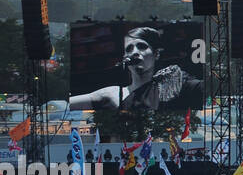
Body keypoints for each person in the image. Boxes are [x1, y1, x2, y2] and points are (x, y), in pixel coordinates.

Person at [68, 26, 203, 126]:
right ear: (124, 57)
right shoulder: (112, 93)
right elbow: (64, 104)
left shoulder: (173, 82)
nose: (135, 52)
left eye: (142, 46)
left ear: (156, 54)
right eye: (129, 49)